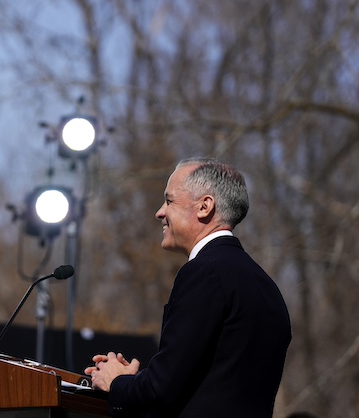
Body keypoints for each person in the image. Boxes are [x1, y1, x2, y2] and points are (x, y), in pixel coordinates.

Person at [85, 157, 291, 417]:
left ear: (205, 206)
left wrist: (115, 382)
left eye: (169, 200)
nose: (160, 212)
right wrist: (134, 381)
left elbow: (160, 392)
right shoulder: (267, 287)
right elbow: (209, 383)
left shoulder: (204, 273)